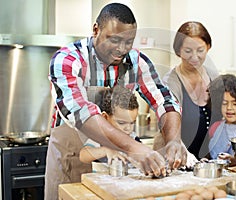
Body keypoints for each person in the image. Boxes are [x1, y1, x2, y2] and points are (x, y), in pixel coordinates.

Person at [45, 3, 187, 200]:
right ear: (96, 30)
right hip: (73, 158)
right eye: (115, 40)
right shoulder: (68, 60)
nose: (122, 49)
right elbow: (81, 113)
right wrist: (134, 147)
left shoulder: (137, 62)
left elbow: (165, 100)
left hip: (119, 168)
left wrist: (173, 140)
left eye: (129, 41)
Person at [162, 21, 221, 160]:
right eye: (188, 51)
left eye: (200, 50)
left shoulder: (215, 77)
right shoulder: (170, 82)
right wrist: (184, 155)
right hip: (180, 160)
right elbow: (167, 125)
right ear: (178, 50)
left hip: (213, 162)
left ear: (208, 47)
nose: (194, 57)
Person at [79, 85, 140, 164]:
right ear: (105, 117)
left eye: (132, 123)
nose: (128, 128)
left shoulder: (133, 138)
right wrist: (106, 150)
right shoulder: (100, 138)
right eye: (121, 123)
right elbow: (83, 155)